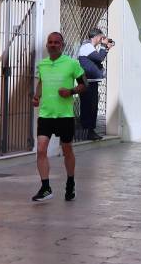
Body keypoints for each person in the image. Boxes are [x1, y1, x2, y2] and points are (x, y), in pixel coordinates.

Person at [31, 32, 87, 203]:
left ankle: (70, 183)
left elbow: (84, 84)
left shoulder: (72, 63)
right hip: (46, 115)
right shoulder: (42, 64)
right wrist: (37, 96)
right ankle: (45, 188)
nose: (53, 45)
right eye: (50, 42)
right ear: (47, 45)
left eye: (56, 42)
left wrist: (70, 91)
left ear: (62, 45)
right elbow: (41, 82)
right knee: (41, 150)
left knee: (67, 150)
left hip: (65, 116)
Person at [77, 28, 114, 141]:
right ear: (97, 37)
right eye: (102, 37)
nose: (102, 39)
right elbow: (99, 58)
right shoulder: (87, 47)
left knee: (91, 107)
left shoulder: (90, 47)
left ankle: (89, 131)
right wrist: (103, 46)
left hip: (91, 81)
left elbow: (97, 59)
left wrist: (106, 48)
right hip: (87, 82)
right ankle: (87, 131)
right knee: (89, 107)